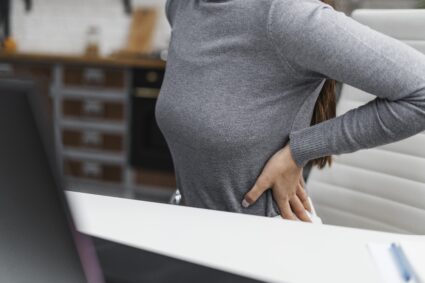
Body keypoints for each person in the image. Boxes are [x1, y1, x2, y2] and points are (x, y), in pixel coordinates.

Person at [155, 0, 425, 222]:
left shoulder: (285, 16)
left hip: (263, 244)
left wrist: (299, 151)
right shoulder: (181, 7)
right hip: (189, 227)